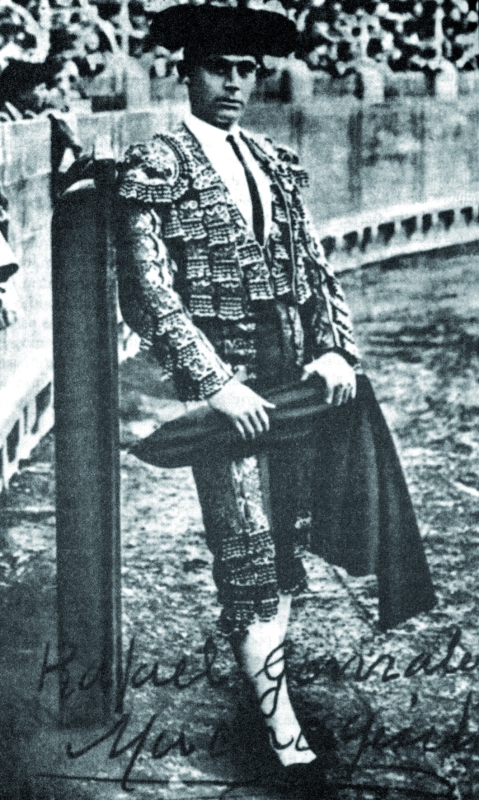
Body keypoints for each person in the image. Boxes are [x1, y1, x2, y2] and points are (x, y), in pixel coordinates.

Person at [115, 4, 435, 795]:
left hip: (295, 378)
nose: (234, 83)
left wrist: (334, 349)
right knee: (249, 557)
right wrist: (213, 382)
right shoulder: (156, 162)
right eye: (218, 67)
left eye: (245, 70)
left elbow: (316, 272)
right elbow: (149, 292)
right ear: (186, 71)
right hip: (230, 390)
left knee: (285, 553)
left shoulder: (272, 160)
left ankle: (271, 699)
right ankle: (282, 730)